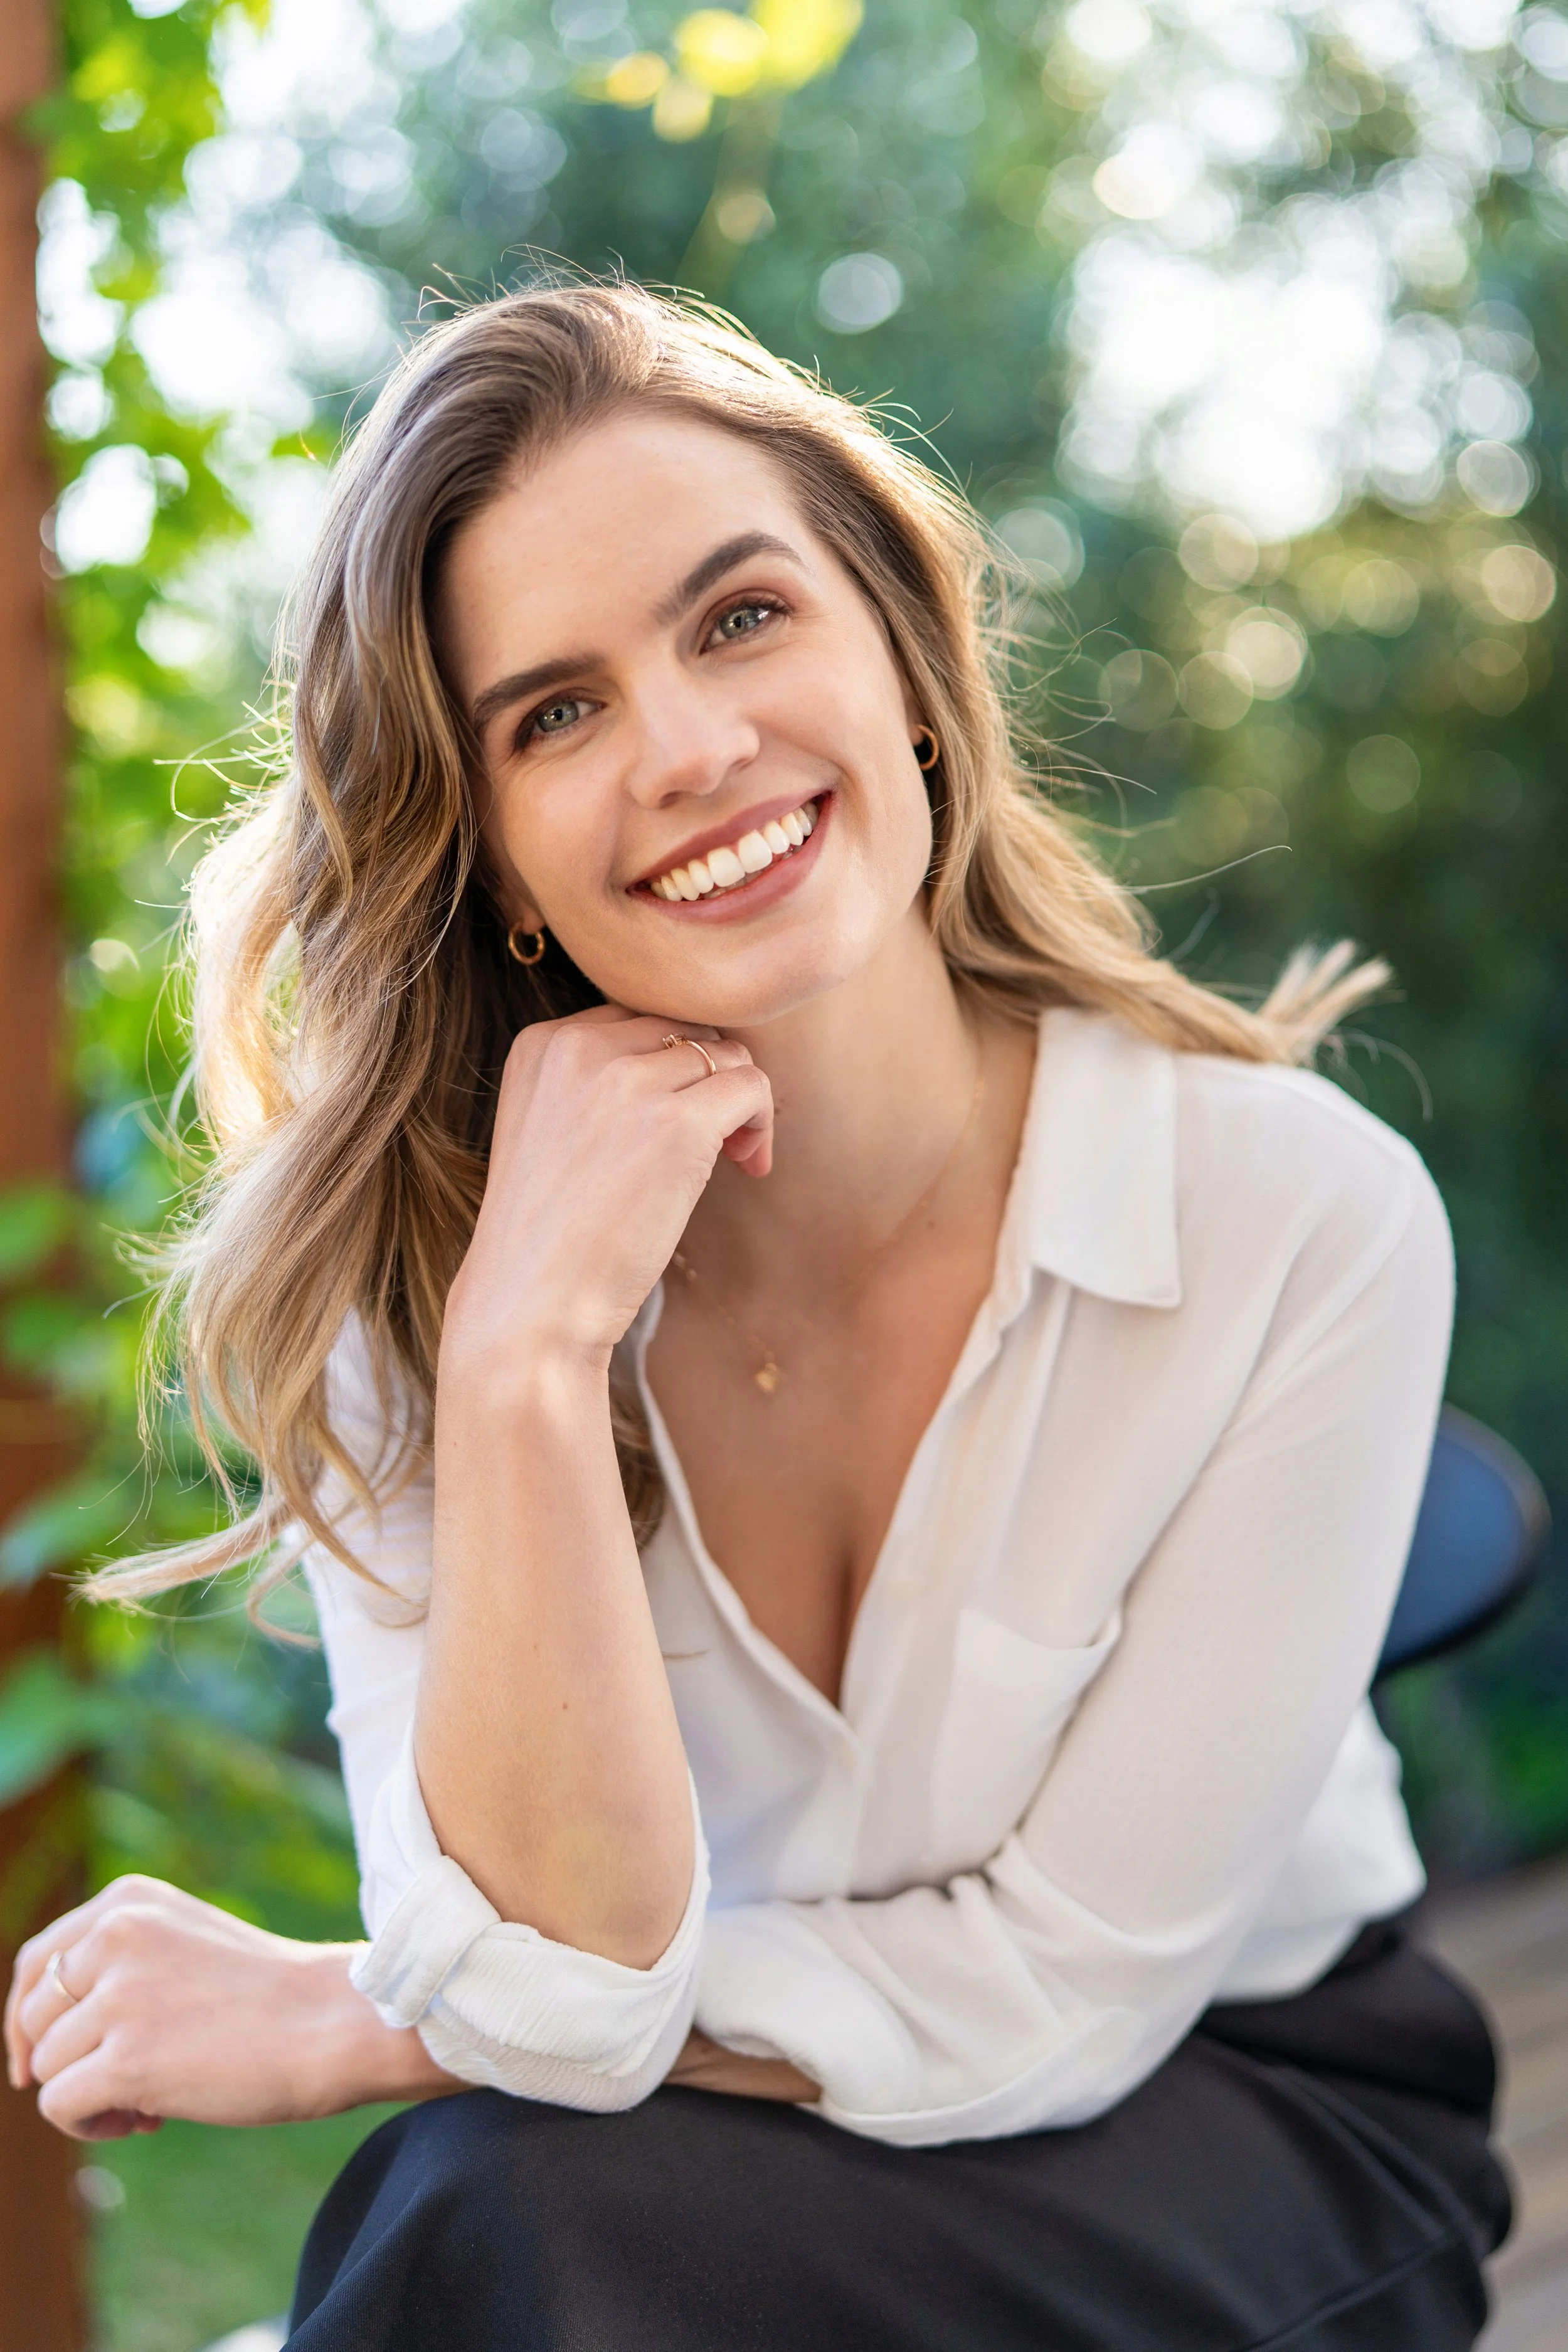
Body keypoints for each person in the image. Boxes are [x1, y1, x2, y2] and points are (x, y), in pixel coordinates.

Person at [5, 284, 1508, 2349]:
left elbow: (1053, 1998)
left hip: (1242, 2102)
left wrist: (369, 2015)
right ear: (499, 860)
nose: (690, 751)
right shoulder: (422, 1294)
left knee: (508, 2208)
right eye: (553, 713)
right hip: (696, 2165)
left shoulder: (1294, 1215)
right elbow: (546, 1995)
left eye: (738, 619)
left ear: (900, 650)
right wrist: (526, 1358)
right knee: (517, 2200)